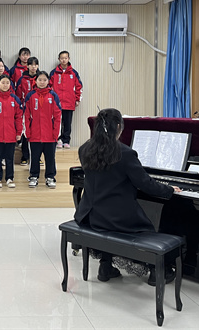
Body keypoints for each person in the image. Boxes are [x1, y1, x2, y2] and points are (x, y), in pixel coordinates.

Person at [74, 108, 180, 284]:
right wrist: (169, 190)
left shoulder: (85, 148)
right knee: (146, 229)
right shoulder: (125, 153)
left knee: (120, 214)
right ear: (118, 127)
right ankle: (156, 271)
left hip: (90, 215)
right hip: (115, 219)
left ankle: (106, 265)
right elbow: (146, 184)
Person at [23, 71, 62, 188]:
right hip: (34, 134)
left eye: (44, 80)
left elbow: (58, 116)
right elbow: (26, 115)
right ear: (35, 81)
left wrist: (56, 133)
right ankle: (33, 176)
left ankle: (50, 177)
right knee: (34, 157)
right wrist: (27, 131)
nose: (42, 82)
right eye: (40, 80)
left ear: (48, 81)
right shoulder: (30, 96)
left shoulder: (53, 96)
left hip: (50, 135)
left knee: (50, 158)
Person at [0, 74, 23, 188]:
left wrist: (19, 132)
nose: (5, 85)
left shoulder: (15, 99)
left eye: (7, 83)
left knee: (10, 158)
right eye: (3, 83)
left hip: (11, 134)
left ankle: (10, 178)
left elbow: (19, 117)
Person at [50, 51, 83, 149]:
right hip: (57, 103)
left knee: (67, 123)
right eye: (62, 58)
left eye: (65, 58)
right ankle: (58, 140)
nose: (64, 60)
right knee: (57, 122)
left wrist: (77, 99)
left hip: (69, 102)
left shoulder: (74, 73)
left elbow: (79, 87)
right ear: (59, 59)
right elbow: (49, 87)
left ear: (69, 59)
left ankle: (66, 141)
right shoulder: (53, 72)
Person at [15, 57, 40, 166]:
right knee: (26, 133)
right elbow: (18, 94)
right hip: (25, 110)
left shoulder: (40, 78)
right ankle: (24, 157)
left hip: (38, 110)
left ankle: (37, 157)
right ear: (27, 66)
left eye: (35, 65)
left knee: (37, 134)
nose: (33, 67)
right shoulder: (22, 79)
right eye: (31, 65)